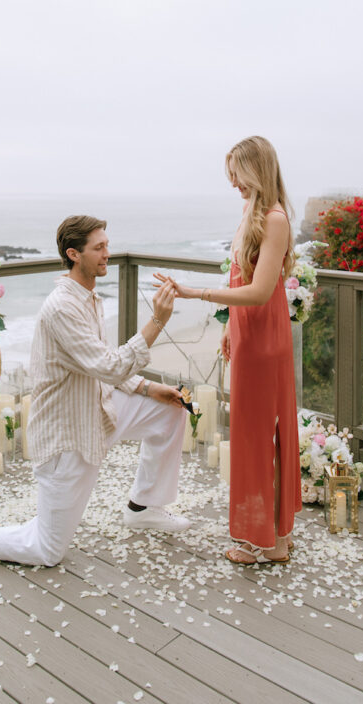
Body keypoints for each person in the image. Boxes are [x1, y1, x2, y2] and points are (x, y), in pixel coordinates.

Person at [0, 215, 190, 564]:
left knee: (170, 409)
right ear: (74, 254)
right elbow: (108, 366)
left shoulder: (87, 296)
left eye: (107, 245)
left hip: (100, 411)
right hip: (68, 437)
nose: (107, 254)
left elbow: (99, 363)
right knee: (46, 550)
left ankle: (143, 507)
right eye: (98, 248)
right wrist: (156, 321)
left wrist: (147, 387)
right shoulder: (62, 307)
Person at [154, 136, 301, 564]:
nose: (233, 181)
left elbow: (258, 292)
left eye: (238, 172)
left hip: (266, 339)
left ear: (257, 169)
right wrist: (230, 329)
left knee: (260, 437)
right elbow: (243, 278)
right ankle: (275, 537)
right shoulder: (251, 213)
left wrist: (196, 293)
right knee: (255, 435)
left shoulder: (274, 219)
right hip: (250, 334)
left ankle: (268, 541)